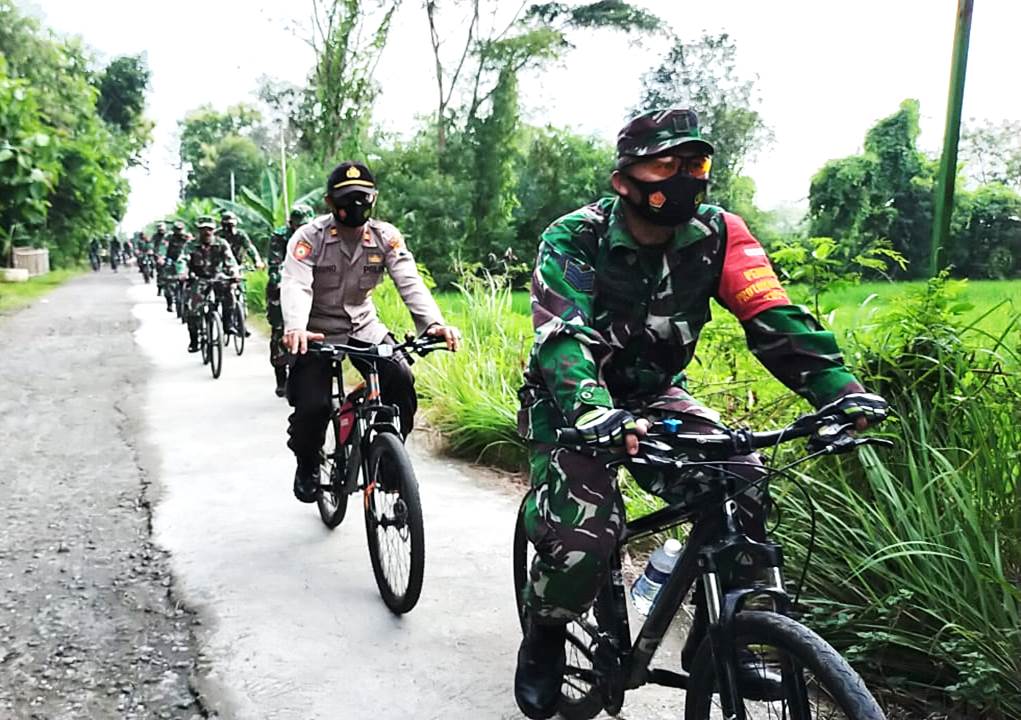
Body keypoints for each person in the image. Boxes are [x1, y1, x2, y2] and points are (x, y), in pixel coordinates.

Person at [512, 108, 889, 719]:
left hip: (656, 393)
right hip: (571, 401)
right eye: (665, 164)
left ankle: (723, 636)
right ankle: (546, 633)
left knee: (742, 478)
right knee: (585, 540)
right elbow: (564, 337)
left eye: (695, 163)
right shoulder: (576, 236)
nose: (684, 177)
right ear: (623, 180)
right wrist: (594, 411)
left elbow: (772, 316)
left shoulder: (720, 234)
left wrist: (837, 391)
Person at [280, 161, 461, 503]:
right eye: (346, 198)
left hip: (364, 326)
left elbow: (409, 281)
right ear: (330, 202)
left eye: (362, 197)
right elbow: (296, 285)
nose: (355, 205)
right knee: (313, 407)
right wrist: (296, 328)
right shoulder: (308, 238)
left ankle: (390, 457)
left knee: (400, 378)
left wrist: (433, 324)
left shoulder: (385, 237)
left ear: (373, 198)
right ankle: (307, 463)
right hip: (315, 332)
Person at [266, 204, 315, 397]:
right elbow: (275, 264)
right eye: (298, 225)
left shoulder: (316, 235)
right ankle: (281, 375)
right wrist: (283, 283)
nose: (302, 229)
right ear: (291, 224)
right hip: (282, 285)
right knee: (279, 329)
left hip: (309, 285)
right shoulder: (279, 237)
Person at [184, 216, 240, 353]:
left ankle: (228, 324)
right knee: (192, 310)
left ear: (214, 230)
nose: (207, 232)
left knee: (230, 295)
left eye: (209, 229)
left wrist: (234, 274)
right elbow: (183, 260)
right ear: (199, 231)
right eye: (203, 229)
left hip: (217, 277)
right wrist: (183, 273)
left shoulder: (221, 243)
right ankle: (194, 340)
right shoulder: (191, 245)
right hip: (199, 278)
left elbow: (230, 261)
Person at [161, 221, 191, 312]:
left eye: (180, 229)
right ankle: (169, 303)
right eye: (177, 230)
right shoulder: (169, 237)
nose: (178, 231)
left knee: (191, 279)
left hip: (183, 260)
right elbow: (163, 247)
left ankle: (188, 301)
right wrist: (161, 257)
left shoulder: (187, 237)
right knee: (168, 281)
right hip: (170, 259)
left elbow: (192, 247)